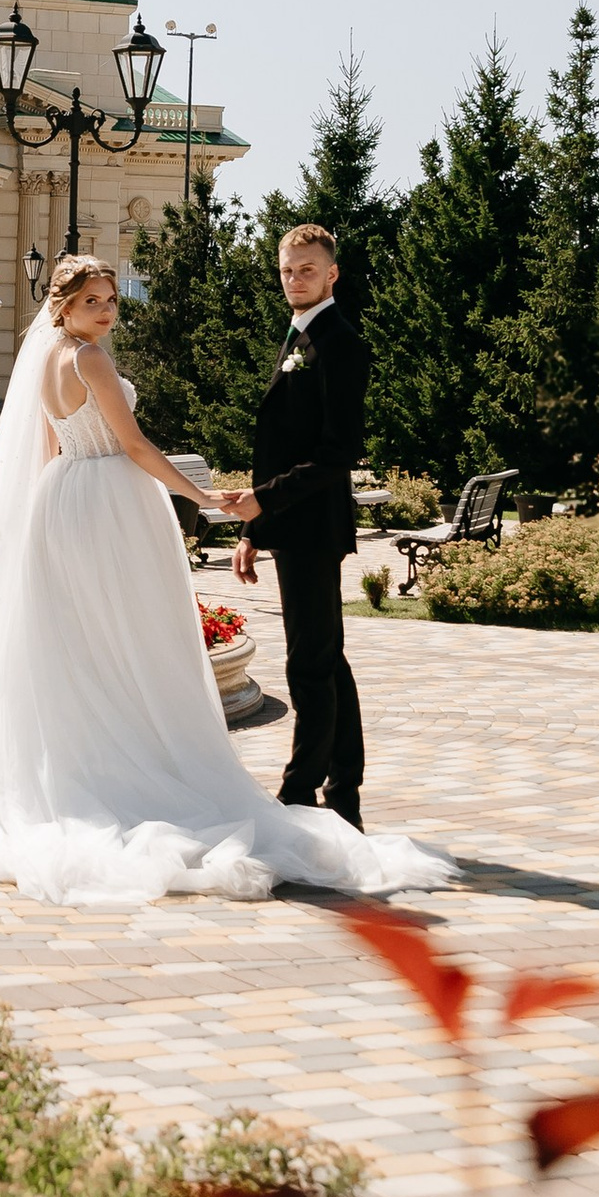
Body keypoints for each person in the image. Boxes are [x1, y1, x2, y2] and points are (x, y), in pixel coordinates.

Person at [0, 254, 451, 909]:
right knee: (125, 640)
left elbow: (49, 449)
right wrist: (201, 496)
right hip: (109, 502)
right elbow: (133, 445)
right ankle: (134, 769)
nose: (107, 310)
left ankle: (84, 768)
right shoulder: (89, 359)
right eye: (92, 301)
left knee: (78, 646)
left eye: (111, 299)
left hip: (62, 498)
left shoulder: (46, 361)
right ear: (64, 307)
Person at [235, 220, 370, 827]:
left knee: (310, 664)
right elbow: (279, 444)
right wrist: (253, 529)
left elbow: (338, 453)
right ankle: (343, 793)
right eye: (287, 270)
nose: (295, 279)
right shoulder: (299, 333)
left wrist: (263, 501)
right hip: (290, 523)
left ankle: (298, 795)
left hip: (314, 526)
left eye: (307, 269)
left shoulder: (340, 341)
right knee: (326, 659)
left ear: (332, 273)